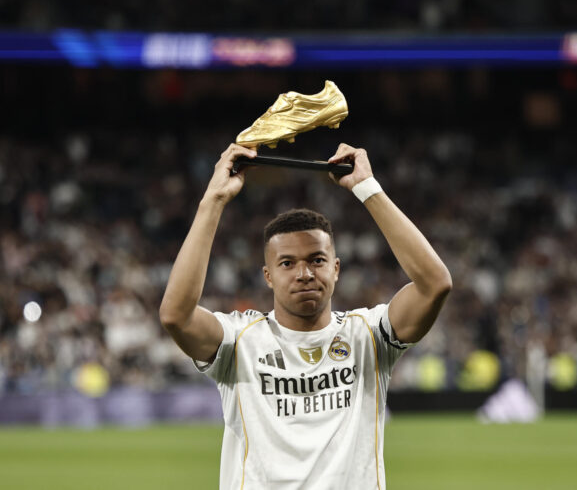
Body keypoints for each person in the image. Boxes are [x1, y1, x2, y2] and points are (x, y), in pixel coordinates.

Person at [159, 142, 452, 489]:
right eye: (287, 263)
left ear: (336, 268)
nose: (304, 274)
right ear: (268, 275)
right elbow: (176, 315)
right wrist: (213, 200)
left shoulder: (369, 335)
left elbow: (435, 285)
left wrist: (367, 188)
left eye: (317, 260)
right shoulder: (239, 340)